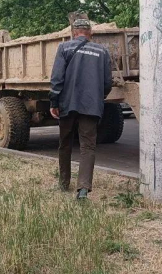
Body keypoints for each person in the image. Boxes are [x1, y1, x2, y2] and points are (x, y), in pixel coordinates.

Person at [49, 16, 113, 200]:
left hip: (67, 104)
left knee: (65, 143)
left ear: (73, 33)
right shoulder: (102, 51)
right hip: (91, 105)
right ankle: (83, 189)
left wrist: (54, 102)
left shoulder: (64, 48)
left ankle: (63, 183)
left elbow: (57, 78)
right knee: (88, 146)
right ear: (90, 33)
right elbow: (107, 82)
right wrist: (99, 97)